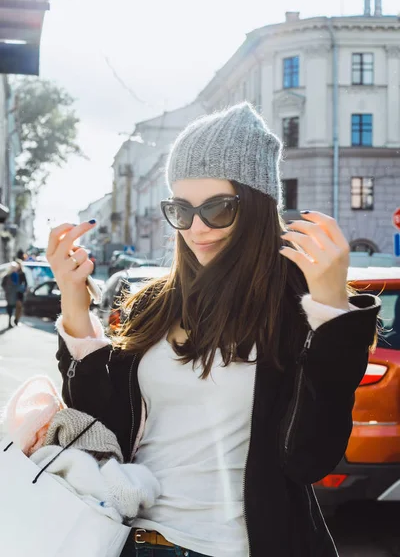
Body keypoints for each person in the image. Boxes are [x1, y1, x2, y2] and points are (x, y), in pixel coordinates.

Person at [46, 103, 380, 557]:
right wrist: (73, 300)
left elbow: (310, 458)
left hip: (237, 546)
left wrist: (331, 309)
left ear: (259, 206)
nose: (197, 228)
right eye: (180, 210)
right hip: (133, 539)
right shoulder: (154, 303)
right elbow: (99, 425)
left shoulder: (295, 304)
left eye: (218, 208)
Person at [1, 262, 18, 328]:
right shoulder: (8, 275)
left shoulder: (14, 274)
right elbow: (3, 284)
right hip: (10, 294)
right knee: (10, 307)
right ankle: (10, 321)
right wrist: (7, 289)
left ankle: (10, 321)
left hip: (13, 293)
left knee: (12, 307)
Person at [12, 260, 27, 325]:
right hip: (14, 292)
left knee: (20, 307)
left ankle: (16, 319)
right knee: (16, 306)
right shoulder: (13, 273)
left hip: (20, 292)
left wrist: (24, 289)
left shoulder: (22, 273)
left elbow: (26, 283)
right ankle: (15, 319)